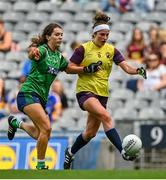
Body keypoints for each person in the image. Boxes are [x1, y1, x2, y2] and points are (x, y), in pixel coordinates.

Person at [7, 23, 102, 170]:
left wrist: (86, 69)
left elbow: (69, 68)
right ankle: (40, 165)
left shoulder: (58, 57)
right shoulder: (43, 50)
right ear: (47, 36)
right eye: (56, 34)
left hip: (41, 98)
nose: (60, 37)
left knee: (41, 133)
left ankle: (16, 123)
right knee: (47, 128)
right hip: (28, 93)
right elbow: (33, 53)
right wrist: (33, 53)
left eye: (61, 35)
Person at [63, 12, 147, 169]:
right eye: (102, 34)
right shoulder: (83, 49)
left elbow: (126, 67)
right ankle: (123, 150)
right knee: (106, 116)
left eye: (107, 34)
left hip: (102, 94)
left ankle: (70, 153)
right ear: (94, 33)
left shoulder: (112, 50)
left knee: (90, 133)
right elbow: (68, 68)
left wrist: (137, 71)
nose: (105, 37)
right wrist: (86, 69)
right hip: (85, 92)